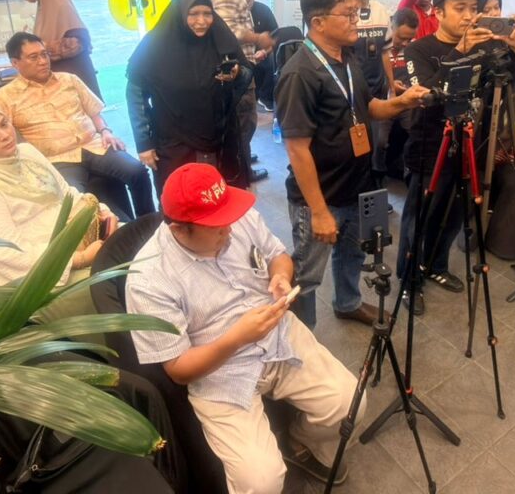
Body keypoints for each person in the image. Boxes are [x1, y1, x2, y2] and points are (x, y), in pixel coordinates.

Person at [125, 162, 363, 493]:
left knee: (350, 403)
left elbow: (278, 255)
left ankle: (301, 440)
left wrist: (280, 276)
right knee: (261, 481)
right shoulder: (148, 279)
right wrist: (237, 338)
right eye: (216, 228)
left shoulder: (236, 218)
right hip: (218, 369)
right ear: (179, 230)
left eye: (228, 218)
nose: (229, 229)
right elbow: (178, 369)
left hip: (277, 333)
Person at [275, 0, 429, 328]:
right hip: (320, 196)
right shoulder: (299, 74)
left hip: (356, 184)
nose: (356, 19)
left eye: (356, 12)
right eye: (348, 13)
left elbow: (367, 107)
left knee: (352, 253)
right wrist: (318, 212)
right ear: (318, 22)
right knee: (307, 273)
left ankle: (348, 303)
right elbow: (297, 150)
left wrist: (403, 102)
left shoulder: (348, 57)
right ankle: (301, 338)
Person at [398, 0, 515, 315]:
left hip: (470, 144)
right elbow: (424, 96)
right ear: (438, 12)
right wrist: (460, 51)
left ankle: (436, 265)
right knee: (418, 219)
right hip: (429, 147)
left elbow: (510, 85)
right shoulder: (418, 50)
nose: (469, 16)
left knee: (455, 214)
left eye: (474, 8)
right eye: (460, 9)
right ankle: (409, 280)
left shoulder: (484, 47)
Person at [0, 101, 113, 287]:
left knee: (130, 245)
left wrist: (101, 213)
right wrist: (79, 259)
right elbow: (7, 254)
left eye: (4, 124)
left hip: (72, 244)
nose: (5, 135)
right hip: (30, 279)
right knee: (117, 278)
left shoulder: (26, 153)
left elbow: (66, 193)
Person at [0, 32, 155, 222]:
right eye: (33, 57)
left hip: (94, 145)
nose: (43, 61)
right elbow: (4, 137)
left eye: (44, 54)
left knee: (137, 171)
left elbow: (94, 113)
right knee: (75, 204)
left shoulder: (69, 80)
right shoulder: (4, 98)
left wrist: (105, 131)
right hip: (58, 159)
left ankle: (149, 222)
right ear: (15, 63)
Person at [126, 0, 250, 195]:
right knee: (181, 199)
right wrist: (143, 143)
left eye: (207, 14)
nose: (201, 21)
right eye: (193, 14)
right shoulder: (156, 45)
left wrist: (237, 73)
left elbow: (245, 72)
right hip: (173, 142)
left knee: (216, 197)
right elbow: (135, 94)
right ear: (181, 13)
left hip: (218, 138)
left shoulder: (219, 37)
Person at [205, 0, 271, 182]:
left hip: (233, 63)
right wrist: (258, 38)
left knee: (240, 119)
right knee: (246, 119)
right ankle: (240, 169)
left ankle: (241, 156)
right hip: (237, 64)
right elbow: (228, 30)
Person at [12, 0, 103, 98]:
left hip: (73, 83)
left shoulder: (61, 7)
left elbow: (79, 42)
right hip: (62, 81)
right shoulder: (45, 7)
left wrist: (43, 47)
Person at [343, 0, 394, 187]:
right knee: (353, 148)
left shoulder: (381, 11)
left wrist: (392, 87)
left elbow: (385, 52)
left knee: (379, 144)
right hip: (348, 96)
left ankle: (376, 191)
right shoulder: (340, 14)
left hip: (377, 91)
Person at [373, 7, 420, 181]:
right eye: (401, 38)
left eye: (410, 39)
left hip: (406, 102)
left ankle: (409, 172)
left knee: (417, 134)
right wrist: (390, 85)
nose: (406, 43)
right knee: (379, 141)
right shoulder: (377, 50)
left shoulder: (413, 50)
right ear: (391, 27)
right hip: (383, 102)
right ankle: (377, 176)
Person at [241, 0, 278, 111]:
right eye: (242, 3)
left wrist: (264, 51)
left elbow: (275, 37)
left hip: (263, 52)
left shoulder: (264, 11)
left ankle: (265, 98)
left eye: (248, 2)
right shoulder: (236, 15)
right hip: (242, 54)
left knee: (272, 59)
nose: (246, 6)